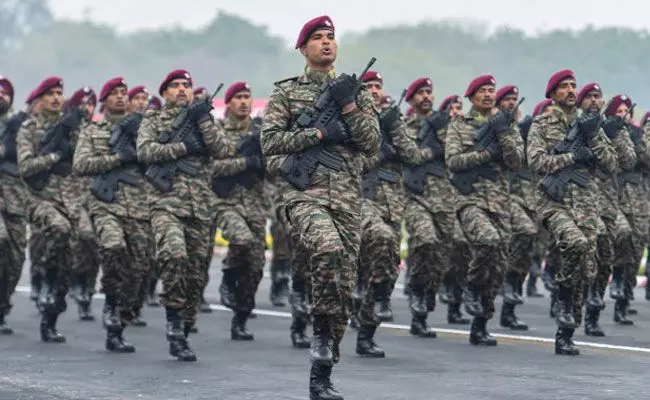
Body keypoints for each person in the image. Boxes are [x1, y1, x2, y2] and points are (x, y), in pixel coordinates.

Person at [260, 15, 379, 400]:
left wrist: (347, 106)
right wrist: (317, 133)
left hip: (346, 197)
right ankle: (319, 344)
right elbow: (271, 145)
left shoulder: (354, 92)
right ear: (303, 48)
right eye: (317, 38)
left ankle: (323, 361)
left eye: (331, 37)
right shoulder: (286, 94)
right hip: (304, 195)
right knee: (327, 248)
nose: (327, 43)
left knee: (343, 286)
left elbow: (372, 142)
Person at [137, 69, 233, 361]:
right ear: (164, 92)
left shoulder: (205, 120)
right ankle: (174, 323)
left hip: (200, 208)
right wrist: (181, 147)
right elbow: (144, 151)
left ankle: (185, 322)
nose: (182, 90)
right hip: (166, 203)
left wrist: (204, 120)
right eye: (175, 86)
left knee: (195, 274)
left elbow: (224, 150)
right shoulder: (153, 120)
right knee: (174, 256)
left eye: (186, 86)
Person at [527, 69, 617, 355]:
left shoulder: (590, 126)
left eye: (573, 86)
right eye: (564, 86)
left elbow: (612, 163)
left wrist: (594, 139)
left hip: (586, 205)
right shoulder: (542, 123)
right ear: (552, 94)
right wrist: (571, 157)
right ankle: (564, 300)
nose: (570, 90)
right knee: (575, 243)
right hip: (553, 202)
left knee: (586, 269)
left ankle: (566, 332)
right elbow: (536, 161)